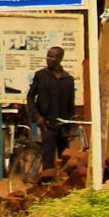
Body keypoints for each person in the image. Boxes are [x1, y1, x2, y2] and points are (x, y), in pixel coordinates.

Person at [26, 45, 78, 176]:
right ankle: (45, 188)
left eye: (52, 57)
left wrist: (72, 127)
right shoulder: (41, 75)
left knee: (65, 161)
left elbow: (71, 104)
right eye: (48, 56)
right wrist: (37, 116)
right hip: (47, 125)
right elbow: (30, 97)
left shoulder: (68, 79)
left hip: (63, 126)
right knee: (48, 163)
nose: (48, 59)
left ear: (60, 59)